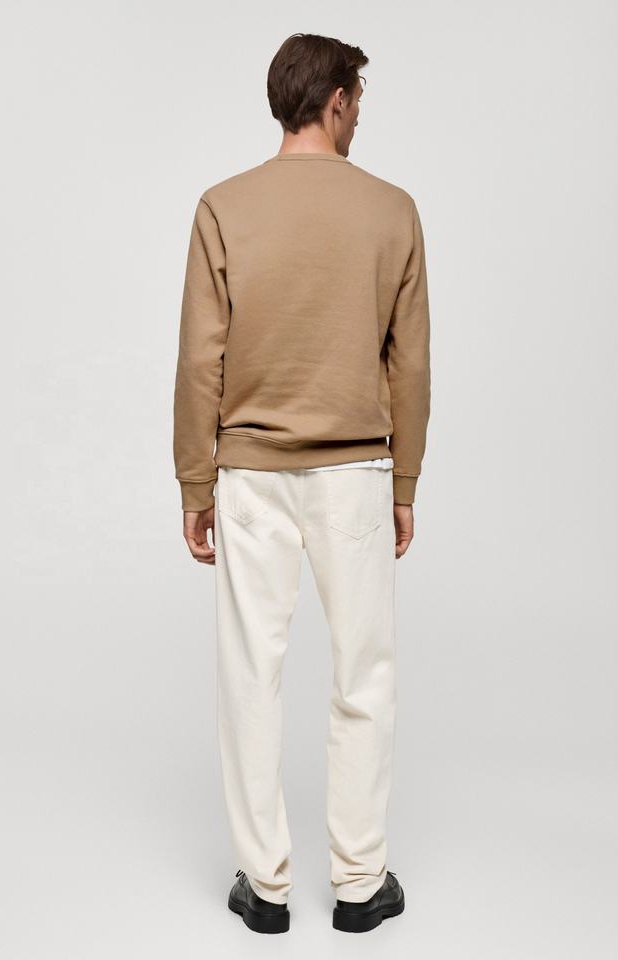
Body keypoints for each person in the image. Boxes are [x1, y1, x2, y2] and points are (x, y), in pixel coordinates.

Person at [172, 32, 431, 934]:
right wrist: (406, 480)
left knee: (252, 674)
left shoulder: (223, 207)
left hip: (250, 475)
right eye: (357, 100)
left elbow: (199, 361)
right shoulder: (393, 210)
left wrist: (194, 484)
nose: (359, 116)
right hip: (357, 472)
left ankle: (265, 887)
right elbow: (409, 364)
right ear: (335, 101)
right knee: (365, 673)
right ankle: (359, 885)